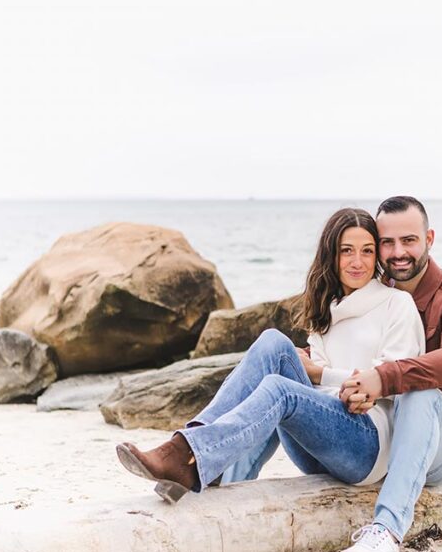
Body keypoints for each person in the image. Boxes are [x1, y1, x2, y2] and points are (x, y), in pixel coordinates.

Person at [201, 196, 442, 552]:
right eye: (387, 243)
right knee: (277, 352)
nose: (397, 252)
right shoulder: (363, 296)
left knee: (419, 390)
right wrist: (312, 368)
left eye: (409, 241)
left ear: (429, 239)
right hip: (367, 433)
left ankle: (386, 530)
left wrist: (382, 378)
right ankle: (207, 463)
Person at [115, 207, 426, 524]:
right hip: (319, 445)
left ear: (377, 257)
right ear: (331, 255)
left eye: (367, 251)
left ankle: (185, 456)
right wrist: (321, 379)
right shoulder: (327, 311)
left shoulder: (396, 304)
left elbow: (394, 380)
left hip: (366, 449)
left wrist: (324, 375)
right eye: (347, 250)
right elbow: (316, 391)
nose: (357, 261)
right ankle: (193, 455)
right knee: (273, 343)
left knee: (280, 390)